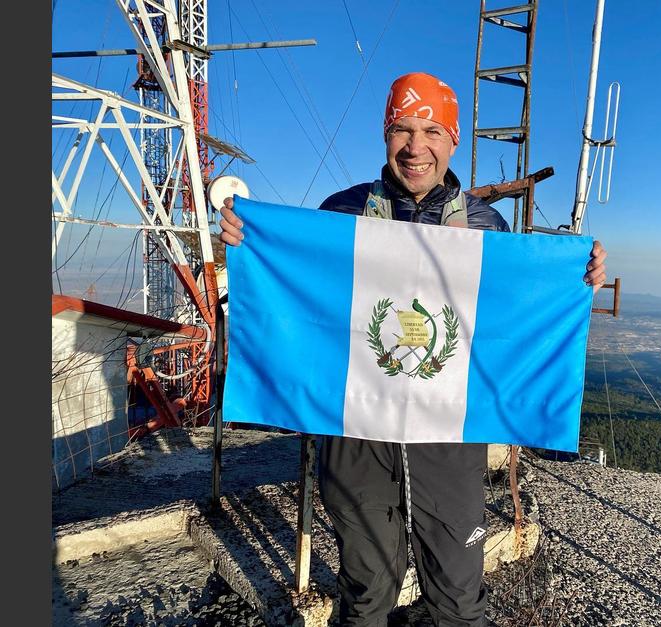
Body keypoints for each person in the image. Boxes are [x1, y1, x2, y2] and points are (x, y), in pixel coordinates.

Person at [219, 72, 607, 626]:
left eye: (431, 130)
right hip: (356, 433)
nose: (416, 146)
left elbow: (518, 306)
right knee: (366, 591)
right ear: (385, 135)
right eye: (402, 129)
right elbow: (301, 291)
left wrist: (579, 276)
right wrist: (249, 240)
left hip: (448, 440)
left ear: (453, 141)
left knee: (458, 599)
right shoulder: (342, 213)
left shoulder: (485, 226)